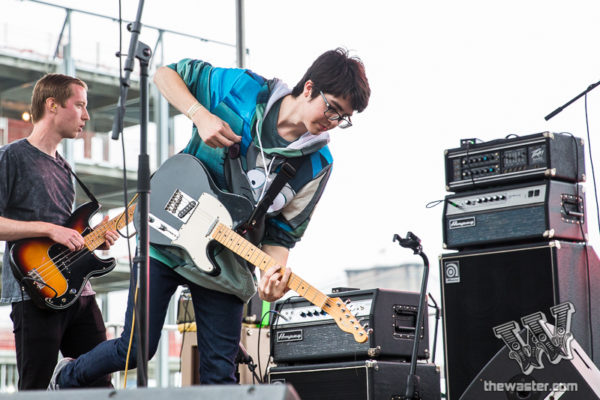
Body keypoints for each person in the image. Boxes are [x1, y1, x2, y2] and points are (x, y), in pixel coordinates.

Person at [51, 47, 370, 388]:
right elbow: (165, 74)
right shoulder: (243, 88)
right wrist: (199, 114)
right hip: (165, 235)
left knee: (220, 377)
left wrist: (271, 279)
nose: (333, 122)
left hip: (227, 266)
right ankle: (65, 378)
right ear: (309, 88)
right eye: (333, 108)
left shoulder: (318, 164)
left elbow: (282, 234)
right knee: (135, 349)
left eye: (343, 118)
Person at [0, 73, 120, 390]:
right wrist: (50, 230)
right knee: (34, 387)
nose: (86, 115)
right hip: (34, 289)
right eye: (79, 105)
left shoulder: (66, 169)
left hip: (79, 292)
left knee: (100, 382)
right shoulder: (11, 157)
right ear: (52, 105)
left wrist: (93, 241)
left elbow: (66, 234)